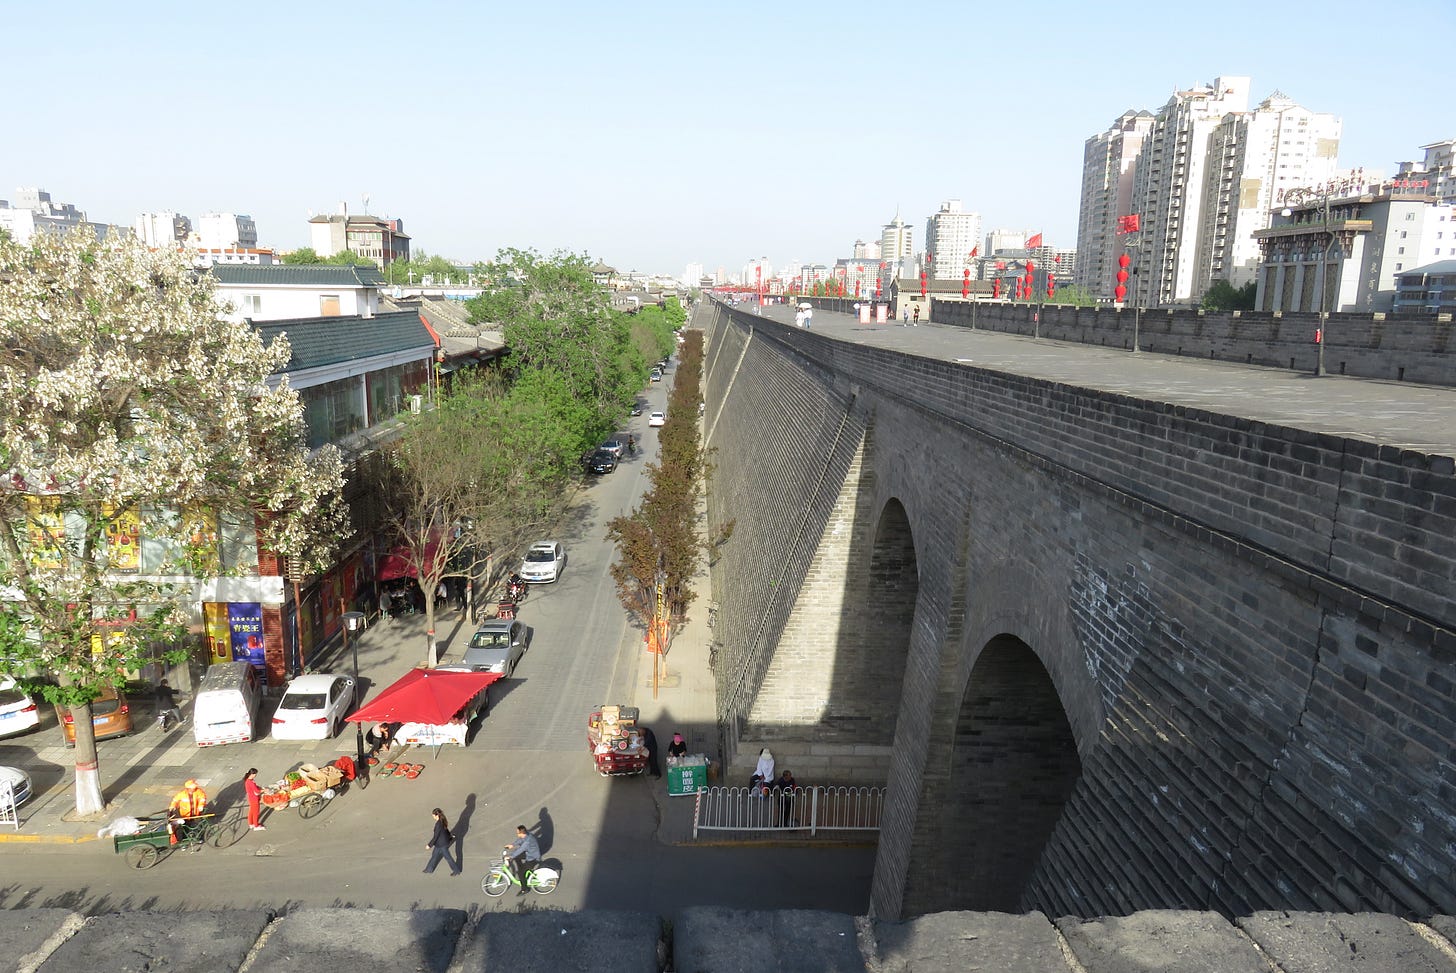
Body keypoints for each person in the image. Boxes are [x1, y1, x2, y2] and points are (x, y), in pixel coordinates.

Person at [504, 824, 541, 895]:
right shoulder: (527, 834)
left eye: (518, 833)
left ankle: (525, 889)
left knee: (520, 873)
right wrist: (512, 845)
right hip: (529, 853)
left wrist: (510, 856)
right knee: (517, 857)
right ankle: (523, 869)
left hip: (533, 858)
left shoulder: (527, 842)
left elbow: (521, 849)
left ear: (522, 833)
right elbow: (520, 840)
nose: (517, 834)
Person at [423, 808, 461, 876]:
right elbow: (446, 830)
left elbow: (435, 837)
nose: (433, 817)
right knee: (434, 856)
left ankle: (456, 870)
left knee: (448, 858)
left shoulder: (438, 824)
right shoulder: (442, 820)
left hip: (442, 845)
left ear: (437, 815)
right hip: (440, 844)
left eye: (433, 816)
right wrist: (450, 836)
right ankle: (429, 869)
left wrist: (429, 845)